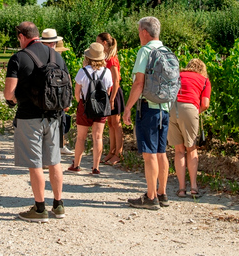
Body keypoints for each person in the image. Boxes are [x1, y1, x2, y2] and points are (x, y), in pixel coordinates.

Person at [5, 21, 68, 222]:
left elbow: (8, 93)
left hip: (29, 117)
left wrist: (16, 98)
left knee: (35, 164)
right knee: (54, 161)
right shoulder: (56, 56)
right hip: (54, 117)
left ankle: (40, 209)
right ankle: (58, 205)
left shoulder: (18, 58)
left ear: (22, 36)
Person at [122, 16, 169, 210]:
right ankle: (162, 193)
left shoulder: (145, 51)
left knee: (149, 154)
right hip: (164, 108)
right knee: (161, 152)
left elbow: (139, 83)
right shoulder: (167, 51)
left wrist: (128, 107)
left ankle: (150, 197)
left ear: (144, 32)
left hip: (148, 108)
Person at [67, 42, 113, 175]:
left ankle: (76, 164)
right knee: (98, 137)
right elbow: (108, 91)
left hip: (85, 105)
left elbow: (77, 92)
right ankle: (95, 167)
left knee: (81, 137)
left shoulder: (83, 72)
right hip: (101, 106)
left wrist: (81, 102)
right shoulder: (107, 72)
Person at [169, 58, 211, 199]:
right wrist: (194, 112)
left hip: (172, 109)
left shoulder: (179, 75)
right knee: (191, 149)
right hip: (189, 108)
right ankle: (193, 187)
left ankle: (181, 189)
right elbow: (205, 104)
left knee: (179, 151)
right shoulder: (204, 80)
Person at [40, 29, 73, 156]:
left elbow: (67, 79)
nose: (52, 45)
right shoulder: (58, 59)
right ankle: (50, 155)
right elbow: (67, 79)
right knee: (52, 125)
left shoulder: (40, 57)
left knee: (53, 125)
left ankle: (49, 154)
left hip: (49, 97)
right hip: (54, 97)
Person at [97, 33, 123, 165]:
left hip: (114, 93)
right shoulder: (106, 59)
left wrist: (112, 99)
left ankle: (118, 153)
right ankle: (112, 151)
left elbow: (116, 81)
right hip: (109, 93)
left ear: (104, 43)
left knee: (117, 123)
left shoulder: (112, 60)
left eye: (98, 41)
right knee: (111, 123)